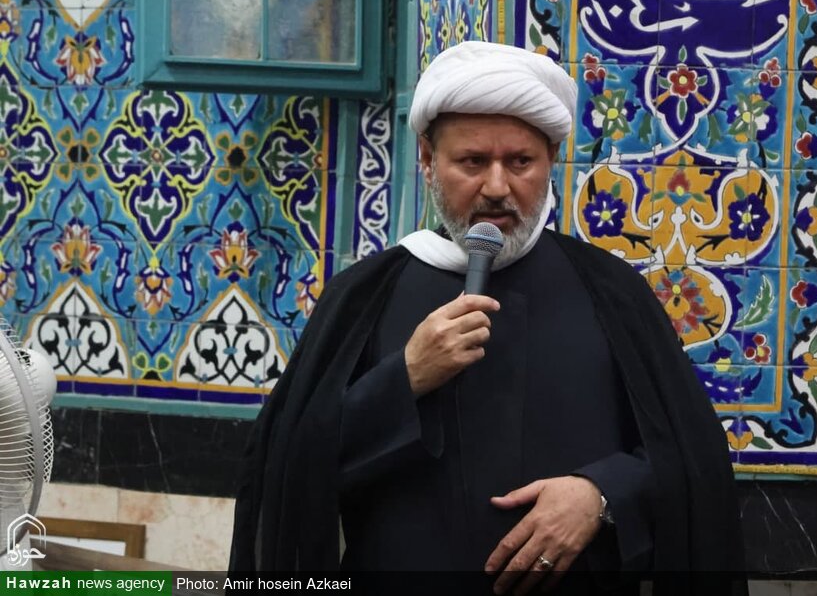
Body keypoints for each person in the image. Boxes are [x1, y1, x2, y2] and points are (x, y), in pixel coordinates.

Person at [229, 42, 746, 594]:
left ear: (551, 160)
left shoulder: (611, 293)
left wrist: (600, 496)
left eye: (520, 162)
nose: (497, 188)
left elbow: (692, 462)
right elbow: (286, 464)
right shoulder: (365, 296)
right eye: (472, 162)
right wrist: (404, 378)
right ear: (427, 160)